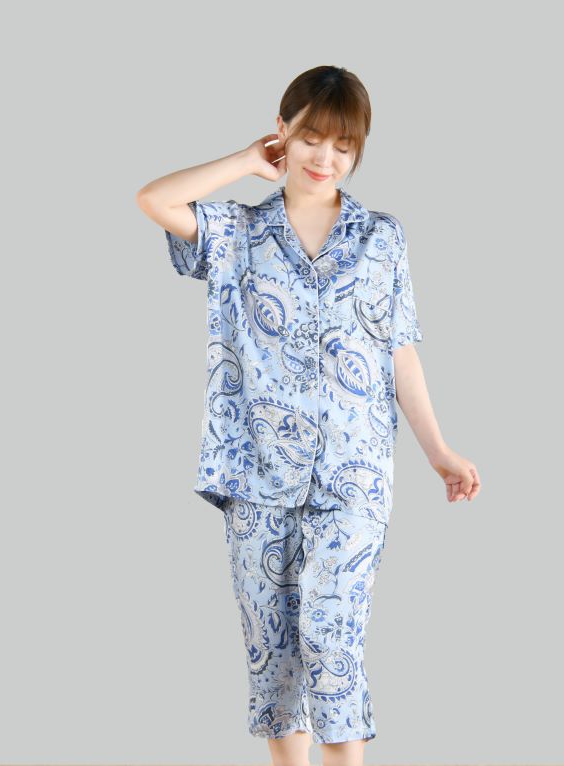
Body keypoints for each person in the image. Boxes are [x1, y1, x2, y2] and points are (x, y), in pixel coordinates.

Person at [137, 65, 481, 766]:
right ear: (283, 132)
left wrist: (439, 452)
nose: (326, 158)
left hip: (354, 477)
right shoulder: (237, 233)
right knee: (275, 658)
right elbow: (154, 199)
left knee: (331, 637)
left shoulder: (381, 238)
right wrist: (244, 161)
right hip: (257, 476)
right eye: (312, 138)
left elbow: (399, 353)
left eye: (344, 146)